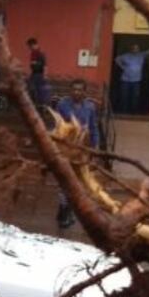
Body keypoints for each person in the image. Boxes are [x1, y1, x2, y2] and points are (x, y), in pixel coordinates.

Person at [54, 80, 100, 228]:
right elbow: (59, 125)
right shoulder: (63, 105)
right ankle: (63, 211)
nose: (76, 92)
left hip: (82, 149)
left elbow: (93, 128)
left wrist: (94, 148)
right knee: (65, 181)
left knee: (78, 182)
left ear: (85, 92)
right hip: (66, 148)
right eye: (74, 89)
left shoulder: (90, 107)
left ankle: (70, 211)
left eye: (80, 90)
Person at [114, 44, 149, 114]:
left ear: (139, 49)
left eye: (136, 48)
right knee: (124, 96)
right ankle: (124, 111)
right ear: (131, 49)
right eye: (133, 48)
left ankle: (134, 112)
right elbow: (116, 59)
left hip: (136, 80)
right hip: (125, 80)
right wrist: (122, 67)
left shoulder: (141, 55)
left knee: (135, 97)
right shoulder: (126, 55)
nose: (135, 50)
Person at [26, 38, 50, 106]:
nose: (29, 48)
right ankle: (33, 104)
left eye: (30, 46)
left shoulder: (41, 53)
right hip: (34, 74)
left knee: (40, 91)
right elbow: (32, 65)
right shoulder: (32, 53)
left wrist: (45, 75)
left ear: (34, 45)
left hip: (40, 74)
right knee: (30, 88)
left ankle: (41, 105)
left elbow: (45, 65)